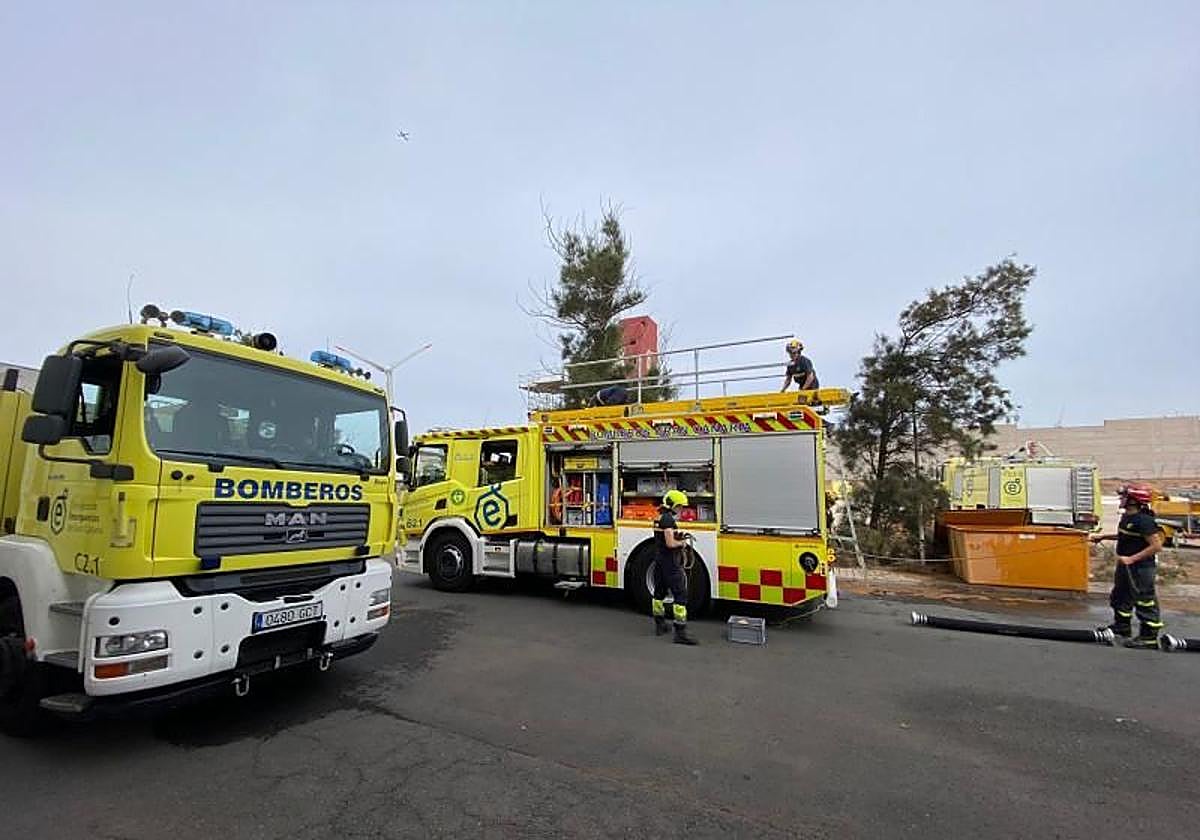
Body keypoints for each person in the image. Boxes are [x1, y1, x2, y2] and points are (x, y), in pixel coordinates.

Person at [1091, 483, 1165, 649]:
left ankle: (1149, 637)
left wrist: (1132, 559)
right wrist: (1103, 537)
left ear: (1134, 500)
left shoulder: (1144, 520)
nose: (1121, 499)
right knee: (1120, 596)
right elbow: (1126, 536)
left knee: (1145, 601)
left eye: (1124, 497)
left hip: (1141, 568)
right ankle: (1122, 627)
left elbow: (1156, 546)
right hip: (1126, 565)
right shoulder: (1127, 518)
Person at [651, 489, 698, 645]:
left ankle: (660, 625)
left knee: (659, 593)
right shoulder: (668, 520)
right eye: (680, 506)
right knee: (680, 595)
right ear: (674, 505)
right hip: (670, 563)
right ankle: (680, 632)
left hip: (659, 561)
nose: (681, 509)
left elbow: (662, 539)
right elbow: (670, 543)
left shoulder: (658, 517)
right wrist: (682, 543)